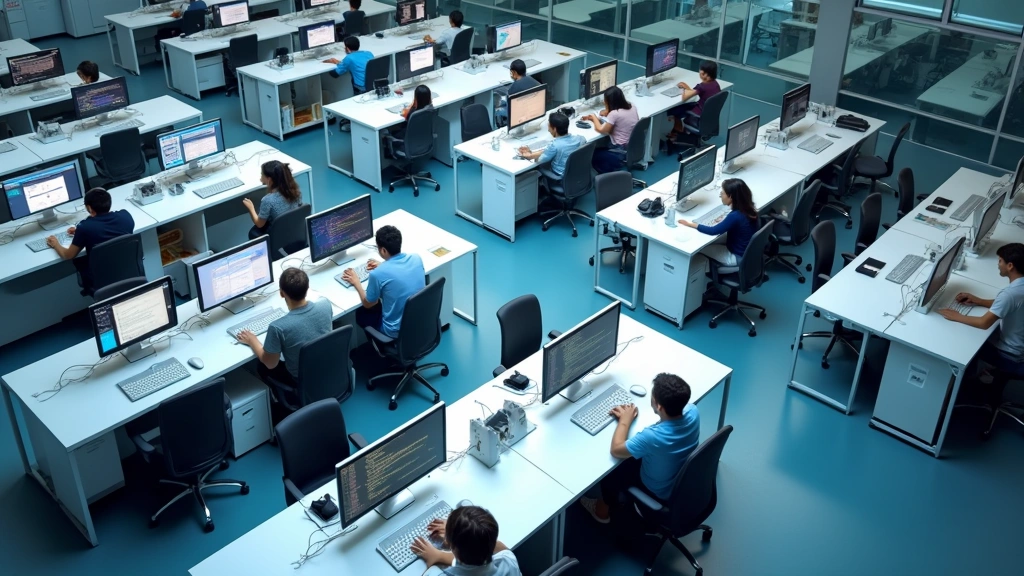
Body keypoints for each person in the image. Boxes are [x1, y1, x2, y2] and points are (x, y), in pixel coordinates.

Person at [579, 373, 700, 523]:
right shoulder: (693, 411)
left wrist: (625, 420)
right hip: (679, 479)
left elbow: (616, 450)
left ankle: (601, 510)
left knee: (614, 469)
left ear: (659, 406)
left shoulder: (652, 437)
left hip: (657, 491)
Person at [236, 268, 333, 394]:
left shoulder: (278, 328)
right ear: (307, 287)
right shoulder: (325, 304)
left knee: (262, 367)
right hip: (328, 367)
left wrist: (252, 340)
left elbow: (270, 363)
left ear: (282, 293)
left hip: (299, 379)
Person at [938, 242, 1024, 380]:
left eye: (1000, 261)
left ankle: (968, 383)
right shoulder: (1019, 289)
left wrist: (957, 316)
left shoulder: (1010, 294)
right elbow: (1010, 304)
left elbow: (984, 323)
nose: (998, 264)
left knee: (965, 345)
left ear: (1010, 266)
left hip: (1010, 355)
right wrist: (979, 301)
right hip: (1020, 345)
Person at [344, 225, 425, 338]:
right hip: (418, 321)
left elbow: (368, 304)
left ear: (383, 250)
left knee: (361, 313)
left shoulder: (377, 274)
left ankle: (377, 347)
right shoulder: (416, 258)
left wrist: (356, 282)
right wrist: (384, 265)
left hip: (394, 330)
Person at [46, 187, 135, 289]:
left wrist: (55, 243)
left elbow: (68, 255)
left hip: (101, 279)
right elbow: (108, 230)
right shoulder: (126, 216)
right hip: (128, 271)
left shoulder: (85, 228)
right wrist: (80, 232)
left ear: (89, 208)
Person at [410, 505, 521, 576]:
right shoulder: (509, 561)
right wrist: (461, 531)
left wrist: (439, 556)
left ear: (450, 544)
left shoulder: (435, 574)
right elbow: (494, 544)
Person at [677, 178, 758, 266]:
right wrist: (726, 221)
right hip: (748, 253)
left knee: (699, 248)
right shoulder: (748, 209)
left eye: (722, 193)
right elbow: (738, 222)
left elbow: (713, 231)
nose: (720, 195)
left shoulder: (735, 216)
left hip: (736, 257)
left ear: (730, 197)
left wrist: (690, 224)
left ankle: (707, 275)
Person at [581, 86, 640, 174]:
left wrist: (593, 117)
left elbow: (601, 129)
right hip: (631, 147)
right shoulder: (632, 106)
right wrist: (607, 111)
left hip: (619, 151)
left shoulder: (614, 114)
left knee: (591, 154)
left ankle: (606, 175)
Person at [518, 112, 586, 185]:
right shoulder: (579, 139)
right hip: (576, 175)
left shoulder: (554, 145)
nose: (548, 130)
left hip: (560, 178)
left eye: (549, 127)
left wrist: (530, 155)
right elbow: (583, 140)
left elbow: (539, 160)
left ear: (555, 129)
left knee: (539, 167)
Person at [243, 160, 303, 239]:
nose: (260, 177)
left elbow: (259, 224)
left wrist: (251, 208)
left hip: (279, 234)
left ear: (269, 180)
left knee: (253, 232)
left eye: (262, 175)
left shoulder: (267, 200)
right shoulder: (295, 192)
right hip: (294, 229)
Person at [668, 60, 721, 139]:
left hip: (699, 113)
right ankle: (678, 129)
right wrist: (688, 88)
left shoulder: (702, 86)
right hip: (708, 114)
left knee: (674, 109)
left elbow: (684, 98)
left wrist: (683, 89)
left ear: (704, 74)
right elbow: (695, 92)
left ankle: (678, 130)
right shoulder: (715, 84)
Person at [494, 59, 540, 127]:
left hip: (521, 114)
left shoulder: (514, 88)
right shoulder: (535, 82)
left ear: (514, 72)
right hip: (534, 111)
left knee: (496, 109)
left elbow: (510, 105)